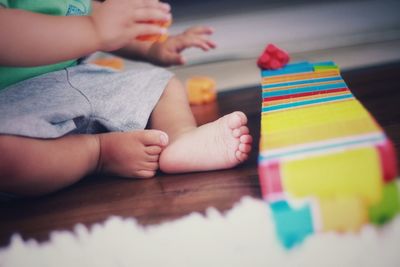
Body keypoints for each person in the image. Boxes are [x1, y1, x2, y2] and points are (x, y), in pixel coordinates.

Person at [0, 0, 252, 196]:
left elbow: (95, 15)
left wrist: (152, 48)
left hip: (78, 80)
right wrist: (95, 29)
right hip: (12, 103)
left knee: (163, 83)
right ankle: (98, 154)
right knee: (8, 158)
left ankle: (179, 138)